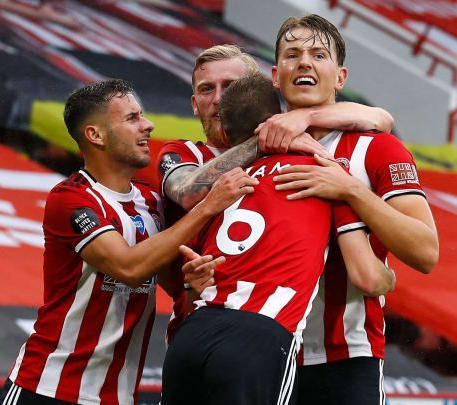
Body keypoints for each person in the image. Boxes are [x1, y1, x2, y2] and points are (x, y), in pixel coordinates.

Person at [169, 16, 439, 405]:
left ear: (340, 77)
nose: (305, 63)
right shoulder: (253, 150)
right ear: (276, 76)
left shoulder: (377, 148)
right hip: (268, 349)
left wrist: (352, 190)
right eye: (293, 55)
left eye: (318, 55)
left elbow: (426, 252)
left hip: (346, 356)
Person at [0, 79, 255, 405]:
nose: (148, 125)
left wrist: (192, 286)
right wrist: (207, 206)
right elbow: (129, 267)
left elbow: (176, 289)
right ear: (96, 135)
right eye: (132, 118)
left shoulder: (151, 202)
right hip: (49, 388)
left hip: (119, 397)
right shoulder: (71, 199)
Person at [161, 74, 394, 405]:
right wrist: (390, 276)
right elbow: (367, 276)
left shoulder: (216, 187)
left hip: (192, 334)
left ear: (226, 134)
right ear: (279, 120)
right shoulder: (319, 171)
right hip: (260, 335)